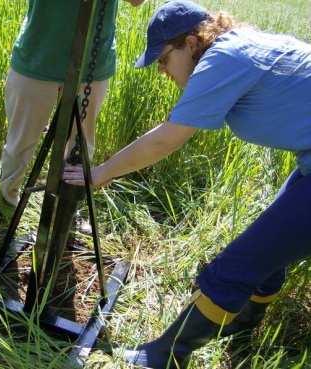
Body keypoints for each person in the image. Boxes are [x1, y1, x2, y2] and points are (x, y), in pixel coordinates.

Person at [64, 0, 311, 367]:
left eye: (163, 59)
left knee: (235, 266)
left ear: (191, 42)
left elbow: (167, 138)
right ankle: (244, 324)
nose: (163, 71)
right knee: (271, 241)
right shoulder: (240, 45)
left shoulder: (225, 59)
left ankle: (163, 355)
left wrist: (99, 173)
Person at [0, 0, 145, 218]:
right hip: (37, 57)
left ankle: (65, 217)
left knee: (80, 147)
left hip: (93, 63)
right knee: (19, 144)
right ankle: (5, 212)